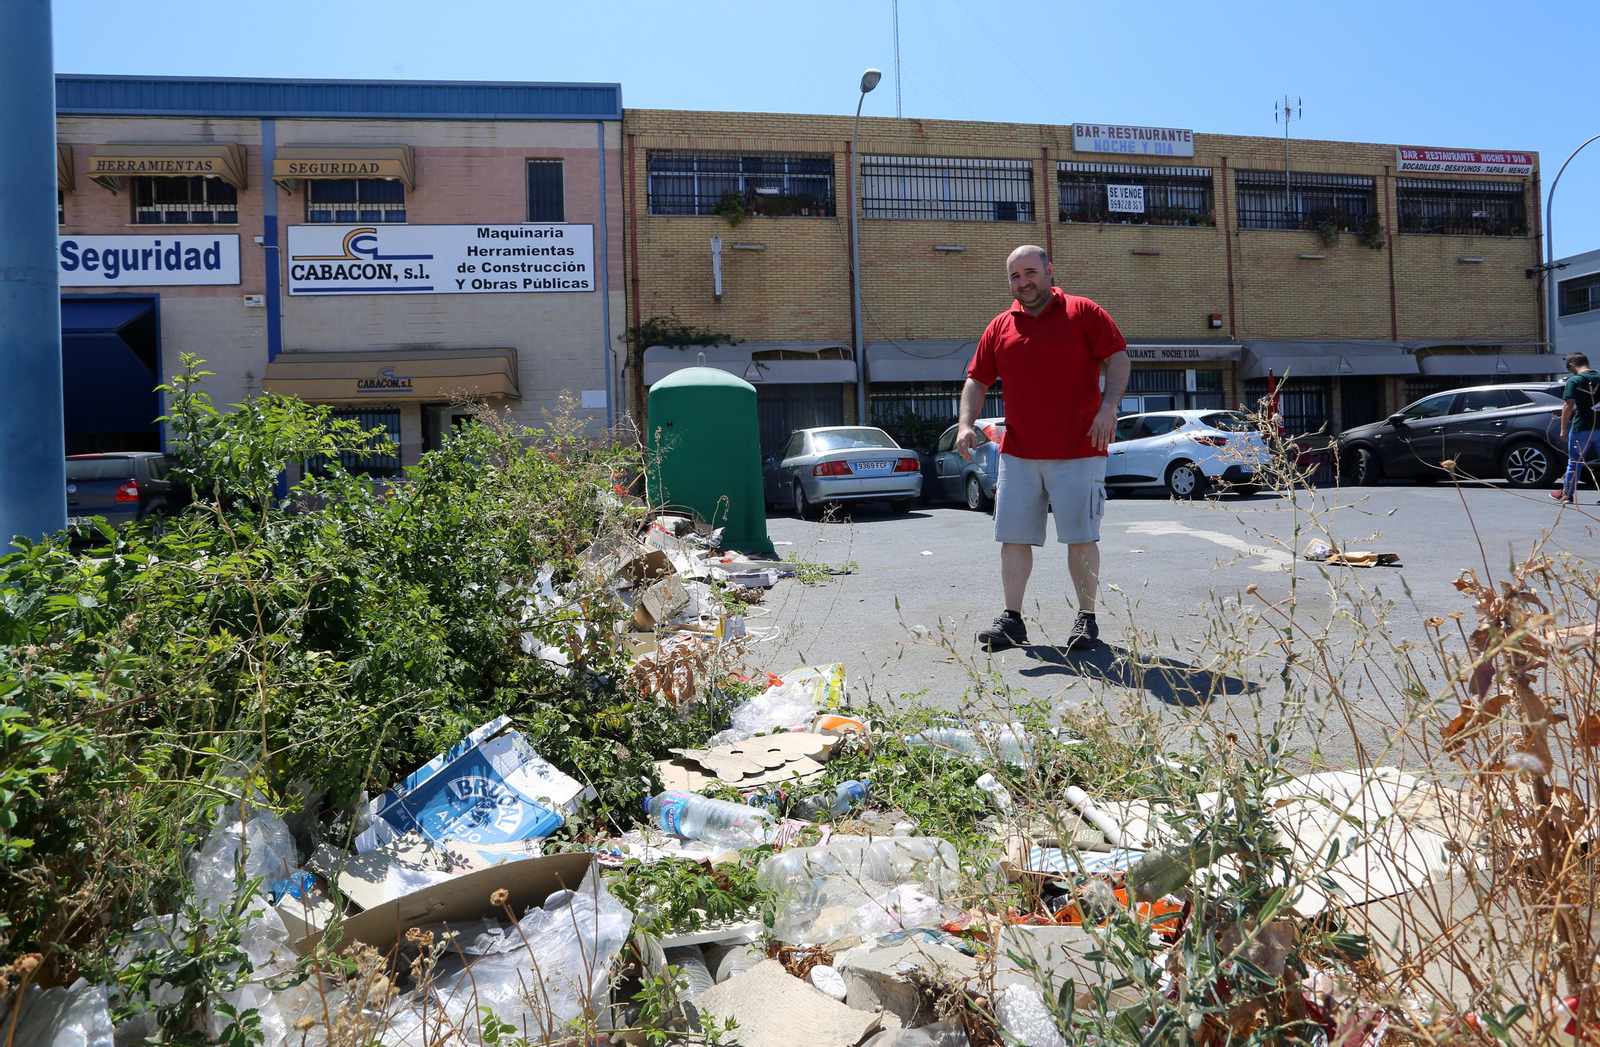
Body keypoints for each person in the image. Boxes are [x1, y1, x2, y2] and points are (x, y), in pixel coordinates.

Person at [957, 245, 1130, 652]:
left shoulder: (1084, 312)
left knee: (1080, 537)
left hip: (1080, 449)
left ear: (1049, 270)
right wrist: (965, 424)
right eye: (1015, 276)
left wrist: (1109, 408)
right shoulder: (1000, 326)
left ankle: (1086, 620)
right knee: (1013, 538)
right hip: (1019, 453)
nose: (1023, 282)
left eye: (1030, 272)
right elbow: (977, 380)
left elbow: (1118, 358)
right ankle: (1012, 620)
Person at [1555, 351, 1600, 504]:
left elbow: (1568, 405)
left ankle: (1567, 495)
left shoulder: (1575, 381)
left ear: (1572, 365)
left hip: (1581, 428)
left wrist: (1563, 428)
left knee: (1575, 462)